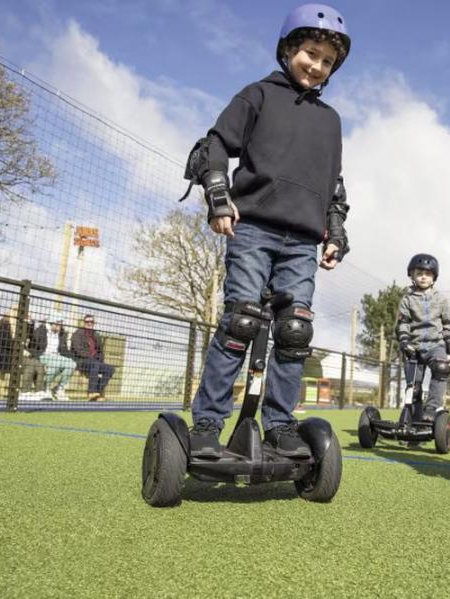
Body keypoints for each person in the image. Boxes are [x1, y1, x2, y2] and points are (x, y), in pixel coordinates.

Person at [181, 4, 351, 459]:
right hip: (253, 228)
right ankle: (206, 425)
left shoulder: (331, 120)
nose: (316, 66)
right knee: (241, 323)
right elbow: (214, 145)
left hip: (302, 241)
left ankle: (279, 425)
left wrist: (334, 230)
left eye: (327, 62)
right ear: (289, 48)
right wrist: (218, 196)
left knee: (294, 332)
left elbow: (334, 183)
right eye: (310, 54)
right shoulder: (257, 95)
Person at [395, 254, 450, 421]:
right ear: (412, 275)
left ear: (434, 277)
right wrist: (404, 341)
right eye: (419, 273)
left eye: (428, 274)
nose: (423, 277)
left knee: (441, 367)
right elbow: (403, 323)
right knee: (413, 387)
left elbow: (447, 323)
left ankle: (431, 409)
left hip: (435, 345)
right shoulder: (407, 300)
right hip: (413, 347)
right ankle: (414, 418)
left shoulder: (441, 299)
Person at [0, 306, 45, 401]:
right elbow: (6, 342)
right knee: (31, 364)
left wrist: (30, 323)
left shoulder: (20, 325)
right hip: (4, 357)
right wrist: (20, 350)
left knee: (39, 364)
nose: (18, 312)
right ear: (11, 311)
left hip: (17, 356)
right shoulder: (3, 323)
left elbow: (31, 338)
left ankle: (39, 391)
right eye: (15, 310)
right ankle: (24, 392)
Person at [31, 313, 76, 401]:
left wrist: (72, 358)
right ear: (51, 322)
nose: (60, 325)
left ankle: (59, 389)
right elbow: (34, 346)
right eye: (58, 323)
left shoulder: (62, 333)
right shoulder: (40, 330)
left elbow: (64, 350)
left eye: (60, 323)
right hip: (43, 355)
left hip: (57, 356)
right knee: (56, 363)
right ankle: (45, 387)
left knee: (72, 364)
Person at [70, 314, 115, 401]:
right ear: (84, 322)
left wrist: (99, 360)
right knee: (95, 365)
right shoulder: (77, 333)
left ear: (94, 323)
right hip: (82, 361)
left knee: (110, 369)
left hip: (95, 362)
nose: (89, 323)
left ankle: (98, 393)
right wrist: (92, 359)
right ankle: (91, 392)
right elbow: (78, 350)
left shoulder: (96, 335)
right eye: (87, 322)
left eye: (91, 322)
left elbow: (100, 351)